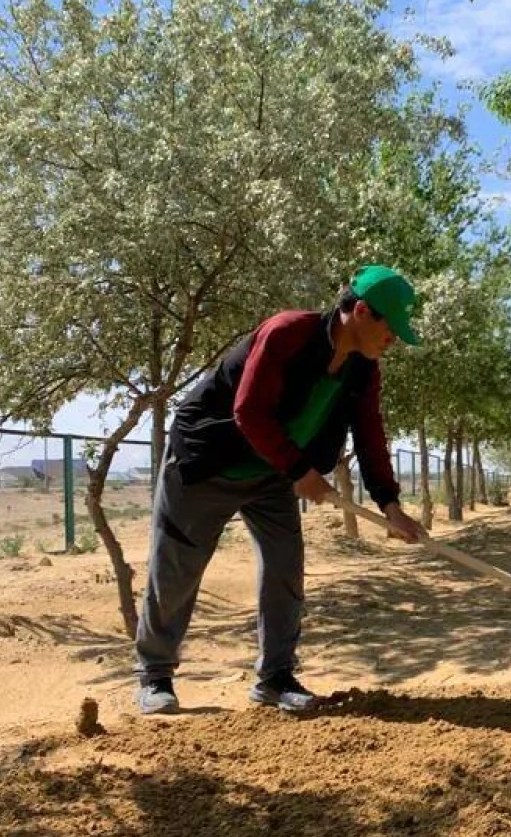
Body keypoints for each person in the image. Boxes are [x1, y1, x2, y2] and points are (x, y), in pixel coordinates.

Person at [134, 264, 427, 715]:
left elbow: (371, 436)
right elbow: (249, 411)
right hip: (208, 464)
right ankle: (155, 675)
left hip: (273, 474)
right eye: (391, 328)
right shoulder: (287, 333)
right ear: (362, 312)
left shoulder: (364, 370)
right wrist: (300, 472)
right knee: (176, 570)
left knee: (284, 568)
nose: (393, 340)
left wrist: (389, 504)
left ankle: (275, 678)